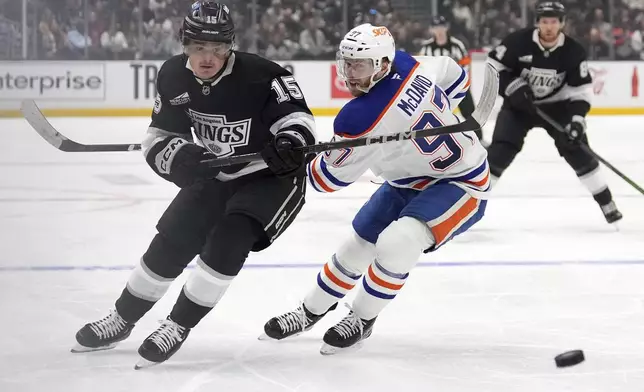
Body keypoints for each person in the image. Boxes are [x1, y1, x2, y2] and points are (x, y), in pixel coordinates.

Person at [71, 1, 316, 368]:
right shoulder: (172, 76)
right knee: (171, 239)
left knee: (230, 238)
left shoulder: (264, 75)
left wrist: (291, 144)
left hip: (271, 177)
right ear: (184, 43)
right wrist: (178, 155)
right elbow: (158, 137)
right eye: (199, 47)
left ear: (230, 46)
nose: (208, 58)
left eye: (217, 49)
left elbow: (300, 122)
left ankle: (176, 324)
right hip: (217, 172)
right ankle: (123, 318)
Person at [261, 23, 490, 354]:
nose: (351, 74)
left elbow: (329, 180)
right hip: (408, 179)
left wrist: (296, 165)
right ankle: (310, 311)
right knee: (357, 246)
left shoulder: (361, 116)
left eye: (360, 65)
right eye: (348, 64)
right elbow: (453, 73)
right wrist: (441, 114)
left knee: (398, 242)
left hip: (462, 181)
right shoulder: (408, 63)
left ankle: (362, 318)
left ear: (382, 64)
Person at [485, 1, 622, 224]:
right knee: (501, 151)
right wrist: (512, 87)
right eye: (544, 21)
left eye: (554, 22)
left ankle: (607, 202)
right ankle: (469, 203)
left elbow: (581, 90)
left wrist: (577, 121)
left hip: (558, 107)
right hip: (520, 106)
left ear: (562, 23)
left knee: (577, 149)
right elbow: (494, 66)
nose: (549, 26)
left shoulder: (573, 51)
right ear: (537, 23)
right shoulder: (518, 42)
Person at [417, 16, 479, 140]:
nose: (439, 31)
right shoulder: (426, 47)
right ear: (431, 30)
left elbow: (466, 64)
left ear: (446, 27)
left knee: (470, 113)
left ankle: (479, 138)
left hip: (458, 85)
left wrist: (462, 82)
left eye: (441, 27)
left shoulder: (457, 45)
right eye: (436, 28)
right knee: (435, 117)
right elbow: (421, 68)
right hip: (435, 90)